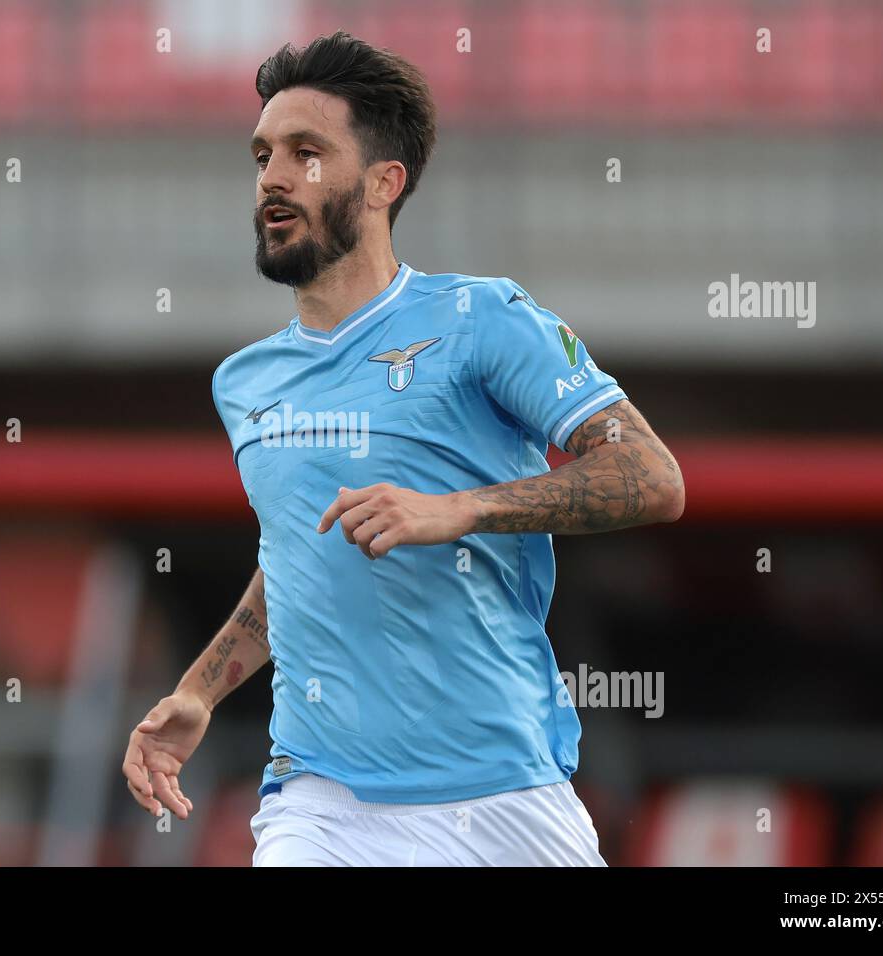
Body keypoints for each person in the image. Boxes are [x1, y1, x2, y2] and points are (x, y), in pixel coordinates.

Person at [123, 31, 684, 866]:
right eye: (263, 154)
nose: (273, 176)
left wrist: (460, 508)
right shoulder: (244, 382)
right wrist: (199, 691)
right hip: (320, 803)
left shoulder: (484, 319)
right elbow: (296, 559)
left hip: (502, 795)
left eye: (307, 152)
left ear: (385, 183)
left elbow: (652, 477)